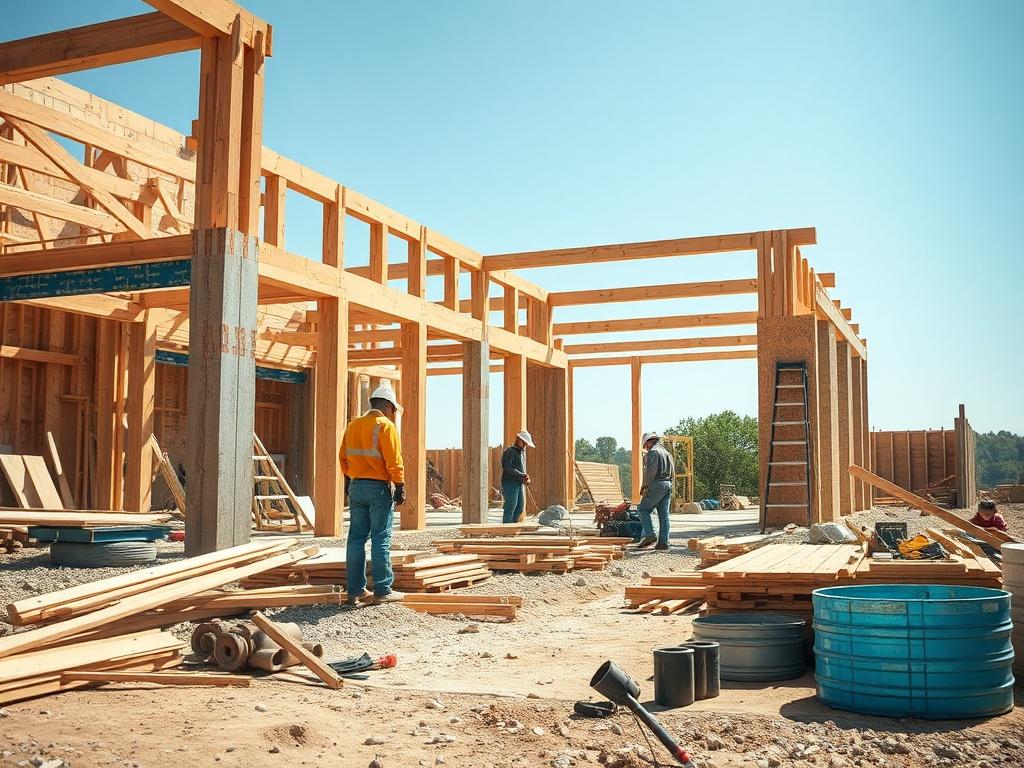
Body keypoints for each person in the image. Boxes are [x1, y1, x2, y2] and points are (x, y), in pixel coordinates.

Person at [340, 385, 406, 606]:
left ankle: (355, 591)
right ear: (388, 406)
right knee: (380, 538)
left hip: (356, 486)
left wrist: (356, 475)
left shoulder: (353, 425)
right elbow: (393, 459)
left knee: (356, 538)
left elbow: (343, 459)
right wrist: (400, 484)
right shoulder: (384, 426)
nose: (393, 415)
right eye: (393, 410)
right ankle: (382, 590)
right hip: (378, 487)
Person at [634, 432, 675, 550]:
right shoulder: (667, 453)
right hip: (668, 484)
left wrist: (644, 487)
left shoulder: (653, 452)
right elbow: (673, 473)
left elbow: (650, 472)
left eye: (645, 446)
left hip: (656, 484)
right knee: (664, 515)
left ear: (648, 442)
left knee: (643, 509)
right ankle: (663, 542)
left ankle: (650, 535)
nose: (646, 448)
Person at [500, 430, 535, 524]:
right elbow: (507, 468)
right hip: (510, 484)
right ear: (519, 440)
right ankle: (506, 530)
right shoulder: (510, 452)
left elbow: (520, 468)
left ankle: (512, 528)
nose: (526, 445)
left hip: (518, 483)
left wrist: (524, 478)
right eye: (525, 442)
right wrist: (522, 475)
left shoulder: (521, 453)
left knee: (519, 508)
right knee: (510, 507)